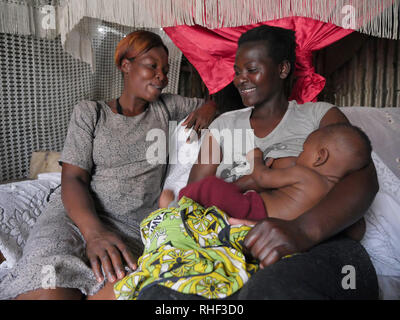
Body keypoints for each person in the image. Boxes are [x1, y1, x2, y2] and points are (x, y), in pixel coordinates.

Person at [138, 25, 379, 299]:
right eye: (237, 71)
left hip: (314, 242)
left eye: (252, 70)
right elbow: (194, 199)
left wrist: (302, 231)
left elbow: (363, 177)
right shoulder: (223, 126)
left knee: (270, 290)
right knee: (159, 295)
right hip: (229, 239)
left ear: (283, 69)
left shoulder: (320, 118)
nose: (241, 79)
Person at [0, 30, 218, 300]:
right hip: (73, 218)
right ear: (125, 65)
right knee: (48, 286)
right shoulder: (90, 113)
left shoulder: (167, 108)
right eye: (152, 66)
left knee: (115, 291)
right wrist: (93, 233)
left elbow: (225, 103)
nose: (162, 76)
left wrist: (212, 106)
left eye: (166, 69)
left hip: (129, 228)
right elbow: (74, 179)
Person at [176, 123, 373, 222]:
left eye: (304, 150)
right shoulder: (333, 195)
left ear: (320, 157)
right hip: (267, 222)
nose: (300, 154)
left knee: (212, 186)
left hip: (254, 211)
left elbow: (262, 177)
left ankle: (177, 206)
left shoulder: (306, 175)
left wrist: (255, 159)